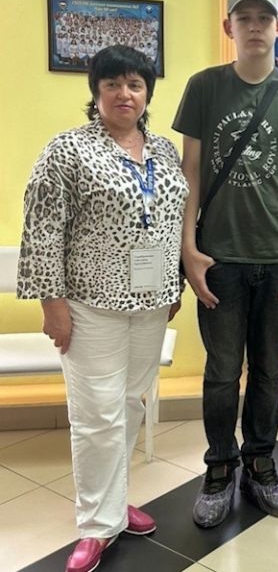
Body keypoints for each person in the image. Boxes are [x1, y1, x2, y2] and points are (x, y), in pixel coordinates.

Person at [17, 44, 188, 572]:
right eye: (112, 83)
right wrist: (52, 305)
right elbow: (42, 231)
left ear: (147, 93)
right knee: (96, 415)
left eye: (135, 84)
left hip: (151, 303)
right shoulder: (67, 150)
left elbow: (173, 220)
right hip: (90, 305)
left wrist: (173, 284)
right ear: (96, 92)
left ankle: (114, 504)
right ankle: (96, 525)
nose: (124, 93)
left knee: (130, 405)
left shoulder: (164, 151)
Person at [173, 0, 278, 528]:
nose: (256, 26)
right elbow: (190, 171)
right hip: (220, 260)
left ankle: (261, 464)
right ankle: (220, 469)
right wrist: (189, 248)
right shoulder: (204, 87)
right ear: (229, 27)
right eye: (246, 18)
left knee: (268, 371)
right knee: (221, 373)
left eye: (265, 18)